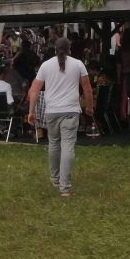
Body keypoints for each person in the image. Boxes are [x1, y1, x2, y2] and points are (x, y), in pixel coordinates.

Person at [26, 37, 93, 198]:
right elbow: (87, 89)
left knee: (54, 144)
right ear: (70, 49)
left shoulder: (45, 65)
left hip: (52, 111)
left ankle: (55, 179)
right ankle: (65, 187)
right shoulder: (78, 64)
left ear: (55, 49)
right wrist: (90, 107)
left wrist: (31, 111)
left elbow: (33, 91)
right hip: (71, 110)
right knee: (68, 146)